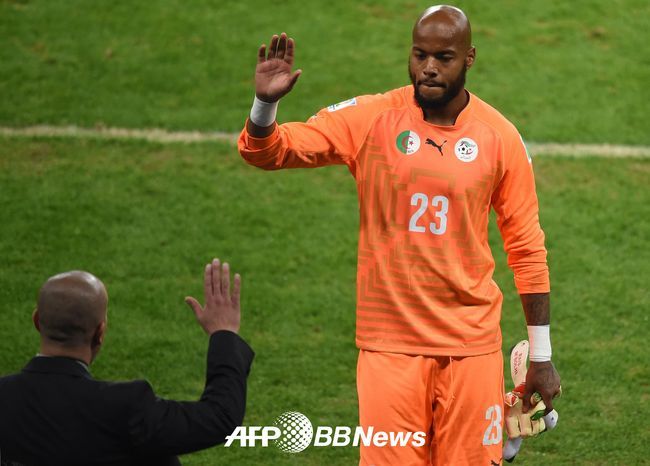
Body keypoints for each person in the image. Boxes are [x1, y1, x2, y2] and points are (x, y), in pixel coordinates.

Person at [238, 4, 560, 465]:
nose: (428, 68)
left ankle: (501, 435)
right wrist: (265, 104)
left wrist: (542, 356)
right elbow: (268, 152)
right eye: (419, 54)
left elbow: (526, 248)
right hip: (389, 347)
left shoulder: (500, 137)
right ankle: (506, 437)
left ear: (469, 58)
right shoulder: (372, 118)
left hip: (471, 346)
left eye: (443, 57)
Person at [0, 258, 253, 466]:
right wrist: (223, 332)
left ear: (37, 321)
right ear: (100, 332)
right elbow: (220, 418)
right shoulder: (125, 408)